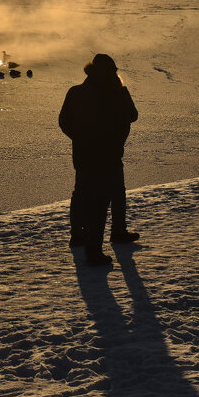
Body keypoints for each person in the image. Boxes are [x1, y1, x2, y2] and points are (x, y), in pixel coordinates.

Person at [58, 53, 140, 266]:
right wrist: (123, 89)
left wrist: (79, 137)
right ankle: (94, 249)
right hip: (107, 156)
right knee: (101, 201)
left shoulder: (77, 92)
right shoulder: (113, 93)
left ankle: (80, 236)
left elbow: (64, 121)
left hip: (87, 155)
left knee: (85, 194)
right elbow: (133, 114)